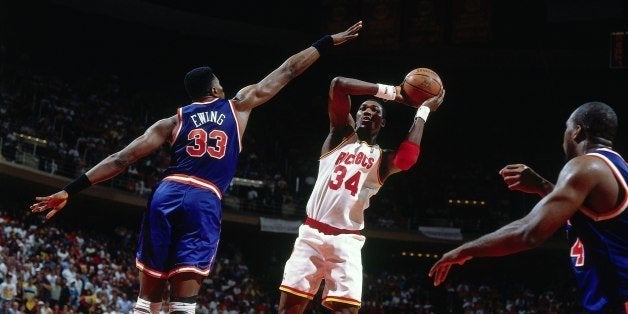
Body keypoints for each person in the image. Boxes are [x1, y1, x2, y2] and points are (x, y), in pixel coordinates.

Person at [29, 21, 363, 314]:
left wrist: (68, 189)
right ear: (216, 89)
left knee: (148, 300)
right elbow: (288, 70)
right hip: (204, 197)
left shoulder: (170, 121)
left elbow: (121, 159)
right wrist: (326, 42)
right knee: (184, 303)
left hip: (168, 192)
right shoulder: (238, 105)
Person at [429, 102, 627, 313]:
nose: (564, 137)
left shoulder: (584, 166)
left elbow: (529, 233)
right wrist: (542, 186)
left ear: (577, 131)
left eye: (567, 128)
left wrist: (464, 250)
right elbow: (588, 215)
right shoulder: (618, 169)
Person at [278, 76, 445, 313]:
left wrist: (423, 111)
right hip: (311, 234)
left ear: (383, 122)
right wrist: (391, 92)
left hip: (347, 240)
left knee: (347, 310)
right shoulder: (339, 136)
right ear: (355, 117)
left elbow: (407, 159)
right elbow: (338, 85)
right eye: (363, 108)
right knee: (288, 310)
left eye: (375, 110)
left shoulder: (383, 158)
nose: (368, 111)